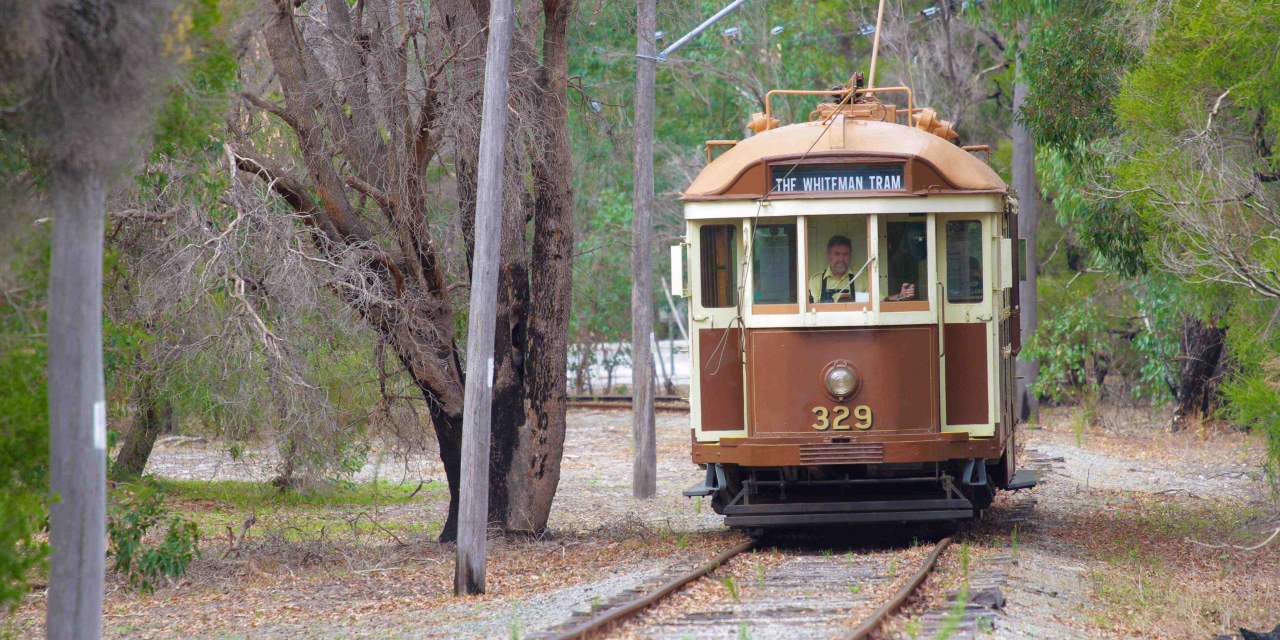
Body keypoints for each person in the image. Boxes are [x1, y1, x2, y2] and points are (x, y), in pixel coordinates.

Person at [807, 235, 869, 303]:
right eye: (837, 254)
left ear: (850, 255)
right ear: (829, 255)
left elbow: (878, 302)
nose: (841, 259)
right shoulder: (816, 281)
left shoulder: (862, 279)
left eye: (845, 254)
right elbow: (811, 310)